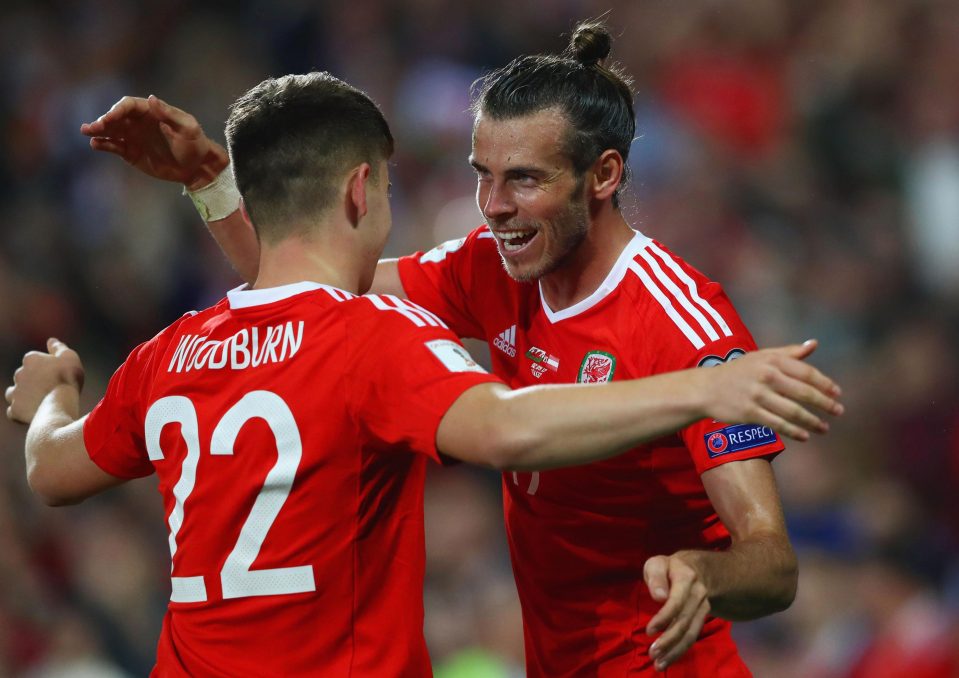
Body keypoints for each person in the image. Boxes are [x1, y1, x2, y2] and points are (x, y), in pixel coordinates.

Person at [78, 23, 841, 676]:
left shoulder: (685, 325)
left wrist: (705, 574)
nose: (494, 207)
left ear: (602, 176)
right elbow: (303, 284)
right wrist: (212, 182)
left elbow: (771, 564)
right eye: (483, 177)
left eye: (523, 180)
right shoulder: (491, 265)